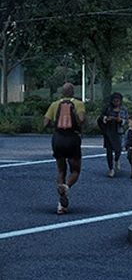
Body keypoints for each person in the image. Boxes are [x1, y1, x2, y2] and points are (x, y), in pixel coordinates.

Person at [43, 82, 86, 214]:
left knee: (61, 170)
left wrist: (55, 126)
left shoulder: (54, 104)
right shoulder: (79, 104)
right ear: (72, 91)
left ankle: (61, 200)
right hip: (72, 138)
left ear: (62, 92)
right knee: (75, 170)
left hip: (58, 139)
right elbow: (82, 119)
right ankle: (66, 187)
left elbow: (45, 123)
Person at [99, 92, 128, 177]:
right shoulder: (107, 108)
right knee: (109, 151)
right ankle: (111, 169)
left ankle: (116, 159)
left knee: (118, 149)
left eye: (118, 101)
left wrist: (120, 120)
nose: (116, 103)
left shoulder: (123, 109)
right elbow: (101, 117)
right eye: (114, 101)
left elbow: (126, 119)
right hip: (108, 131)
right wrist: (105, 118)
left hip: (118, 131)